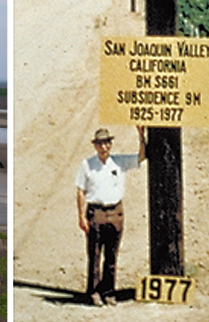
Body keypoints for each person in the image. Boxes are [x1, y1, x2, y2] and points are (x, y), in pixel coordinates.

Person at [75, 125, 146, 306]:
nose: (104, 147)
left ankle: (108, 292)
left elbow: (141, 157)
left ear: (110, 144)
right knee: (95, 255)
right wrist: (82, 216)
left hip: (115, 212)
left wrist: (141, 136)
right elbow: (80, 191)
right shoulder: (87, 165)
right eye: (100, 144)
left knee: (112, 256)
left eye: (106, 143)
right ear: (95, 146)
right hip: (96, 212)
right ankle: (93, 292)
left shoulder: (119, 162)